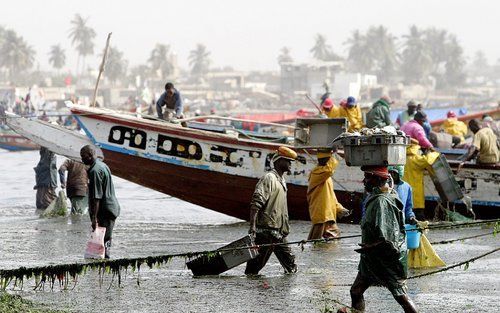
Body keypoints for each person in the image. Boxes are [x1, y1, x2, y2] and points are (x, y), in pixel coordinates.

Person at [344, 166, 418, 313]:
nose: (363, 181)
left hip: (386, 258)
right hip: (372, 258)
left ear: (378, 179)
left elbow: (387, 240)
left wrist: (368, 247)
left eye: (367, 177)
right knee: (356, 291)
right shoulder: (385, 195)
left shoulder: (381, 202)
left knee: (400, 295)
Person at [245, 146, 298, 275]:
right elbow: (256, 203)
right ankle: (250, 291)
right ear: (279, 161)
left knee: (291, 266)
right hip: (266, 232)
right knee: (254, 268)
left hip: (278, 233)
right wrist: (252, 227)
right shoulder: (269, 178)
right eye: (288, 161)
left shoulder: (282, 181)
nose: (290, 164)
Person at [80, 145, 121, 259]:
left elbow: (96, 197)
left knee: (103, 240)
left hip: (105, 210)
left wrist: (94, 218)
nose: (82, 159)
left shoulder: (95, 171)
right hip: (111, 207)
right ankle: (105, 263)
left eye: (83, 156)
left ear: (90, 155)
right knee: (106, 239)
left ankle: (105, 265)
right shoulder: (103, 165)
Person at [307, 149, 350, 240]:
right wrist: (336, 155)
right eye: (329, 160)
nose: (330, 162)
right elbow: (329, 170)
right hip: (322, 215)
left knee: (331, 240)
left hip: (329, 215)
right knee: (316, 242)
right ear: (323, 160)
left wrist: (339, 208)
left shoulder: (326, 177)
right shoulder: (316, 173)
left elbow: (331, 196)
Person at [403, 139, 440, 221]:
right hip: (416, 196)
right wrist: (434, 153)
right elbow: (427, 160)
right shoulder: (415, 159)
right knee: (419, 219)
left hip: (404, 193)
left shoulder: (402, 158)